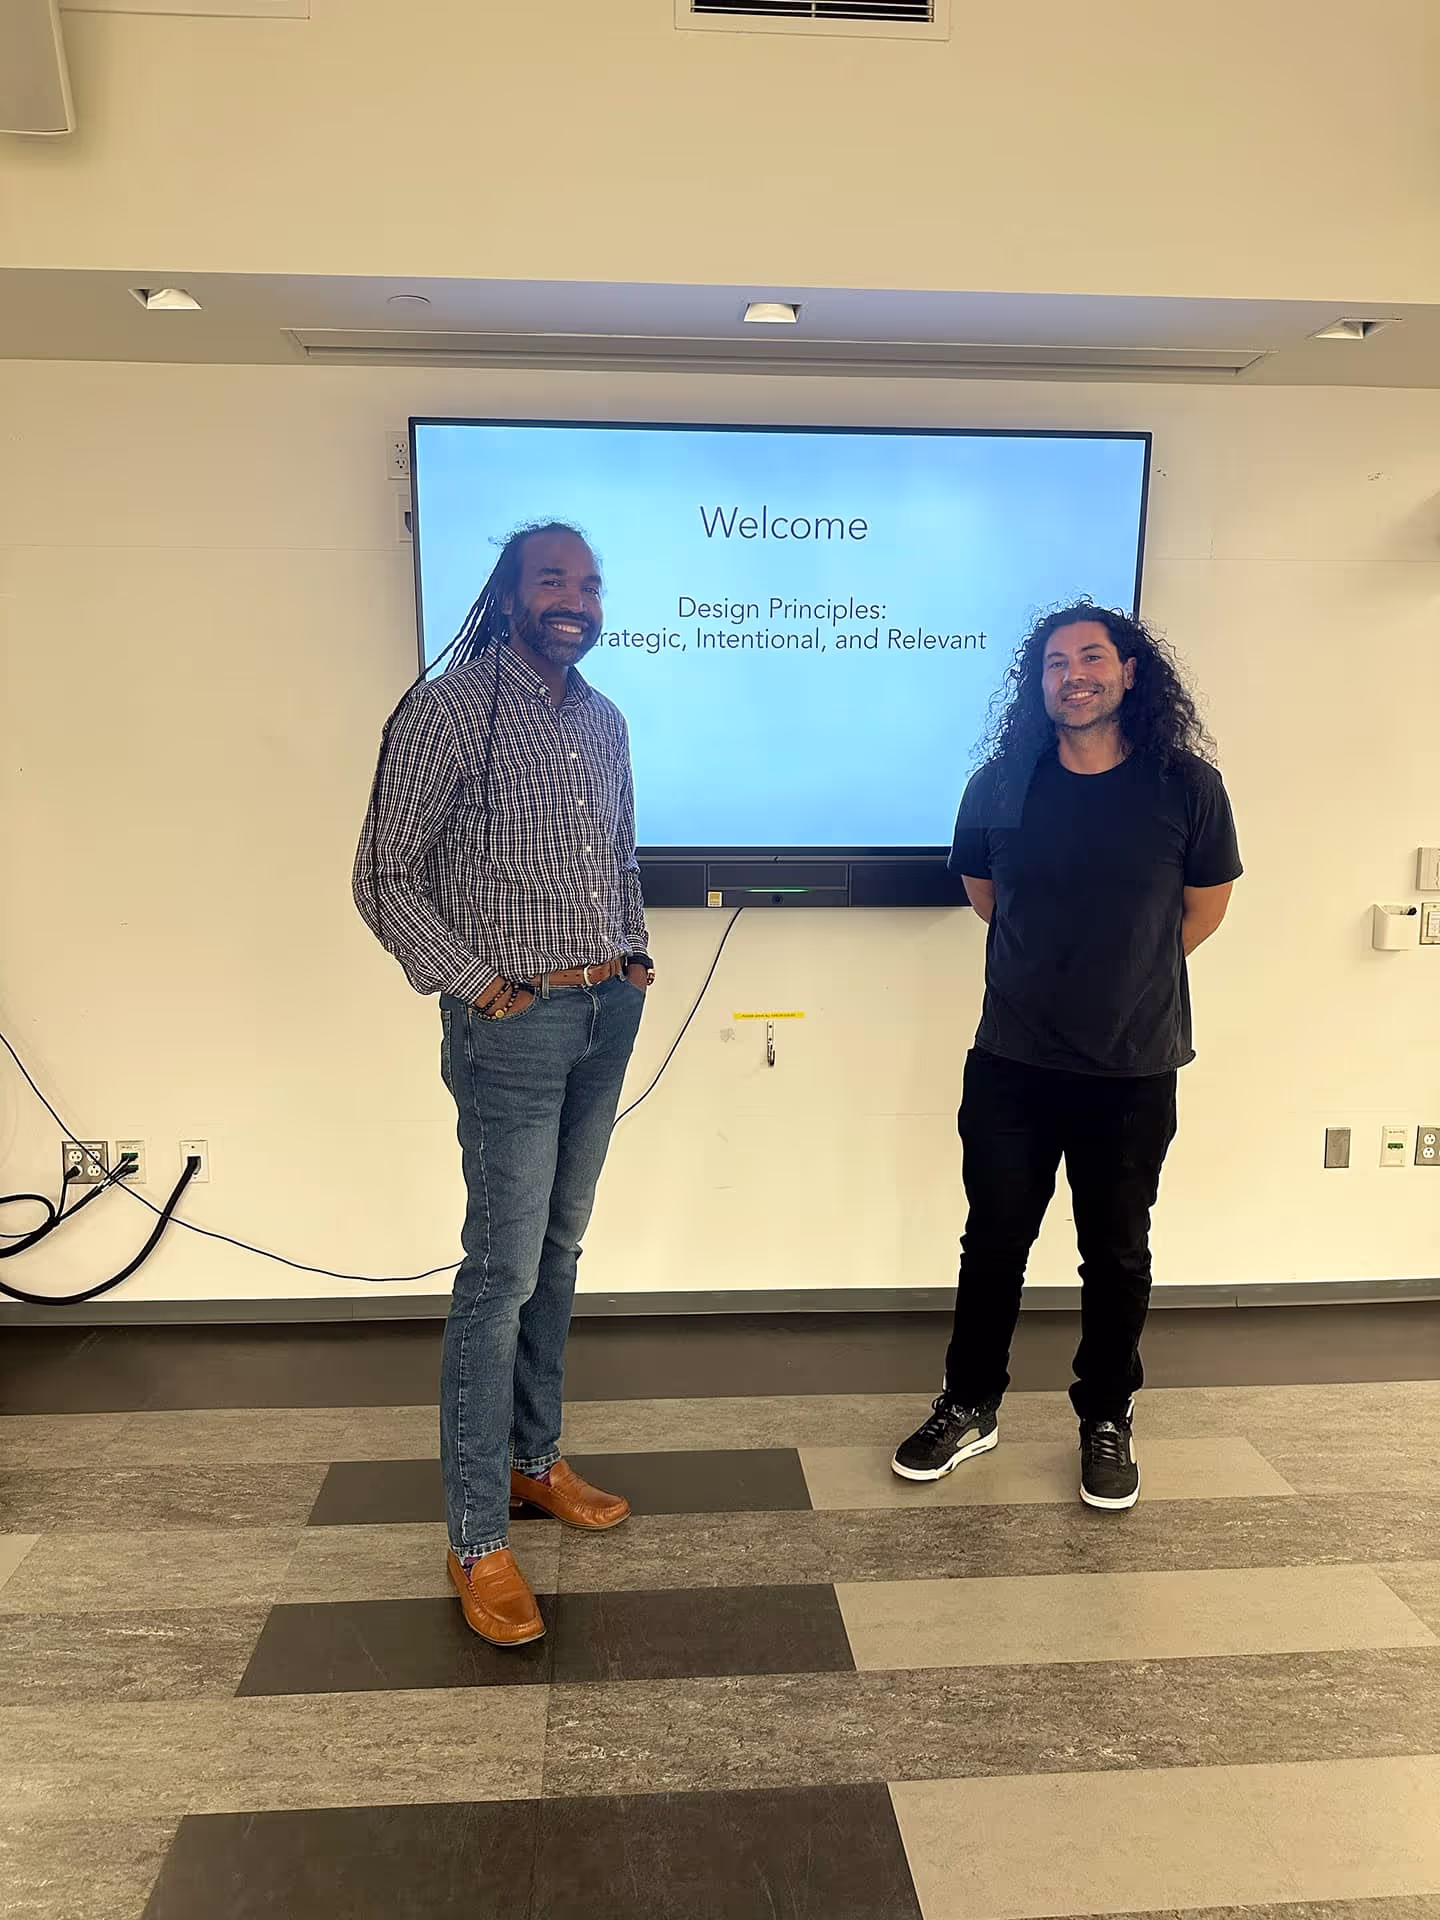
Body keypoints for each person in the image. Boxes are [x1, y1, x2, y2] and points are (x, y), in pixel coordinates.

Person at [355, 522, 653, 1645]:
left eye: (591, 582)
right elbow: (383, 877)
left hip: (606, 1011)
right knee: (501, 1274)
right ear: (510, 593)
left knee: (560, 1251)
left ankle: (536, 1460)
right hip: (512, 1029)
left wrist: (633, 954)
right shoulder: (449, 710)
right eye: (552, 579)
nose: (575, 597)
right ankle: (477, 1537)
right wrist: (478, 986)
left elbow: (619, 852)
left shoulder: (605, 718)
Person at [893, 602, 1241, 1510]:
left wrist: (1121, 976)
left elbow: (1203, 910)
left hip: (1133, 1066)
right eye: (1054, 663)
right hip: (1012, 1060)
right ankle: (970, 1404)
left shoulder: (1186, 786)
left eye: (1091, 657)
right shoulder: (1000, 784)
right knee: (993, 1243)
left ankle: (1107, 1416)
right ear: (1037, 683)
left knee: (1116, 1254)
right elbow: (985, 897)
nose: (1072, 675)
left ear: (1130, 671)